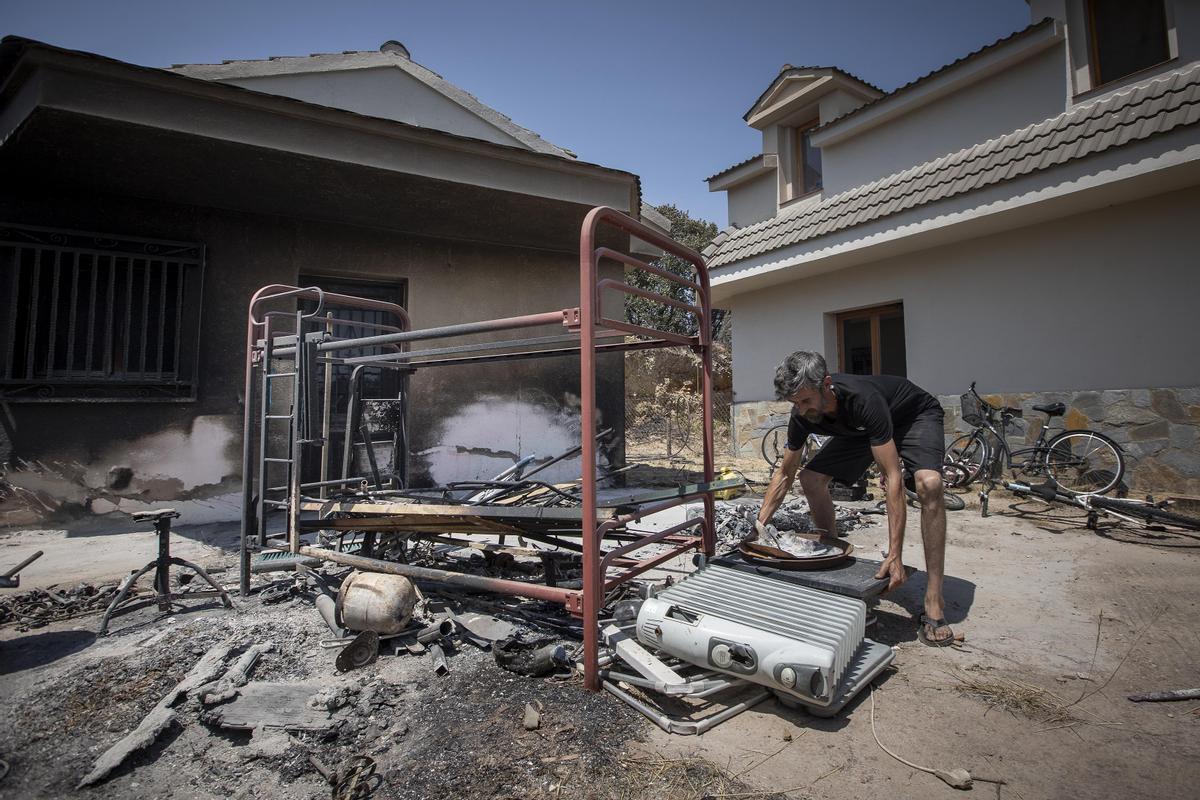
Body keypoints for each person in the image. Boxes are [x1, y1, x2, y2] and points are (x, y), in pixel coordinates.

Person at [753, 351, 955, 646]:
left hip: (912, 416)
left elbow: (892, 477)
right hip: (862, 430)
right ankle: (830, 554)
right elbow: (785, 473)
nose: (800, 409)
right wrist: (758, 527)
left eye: (806, 400)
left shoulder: (863, 399)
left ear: (826, 384)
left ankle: (934, 598)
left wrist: (894, 554)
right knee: (810, 478)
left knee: (929, 484)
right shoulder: (803, 413)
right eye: (794, 403)